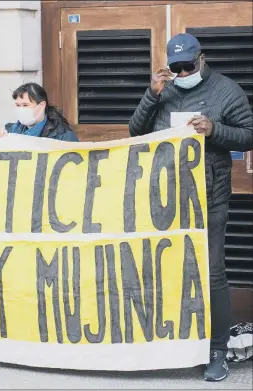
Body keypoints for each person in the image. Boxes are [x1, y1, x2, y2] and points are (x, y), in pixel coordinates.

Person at [129, 33, 253, 382]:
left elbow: (249, 134)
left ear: (202, 59)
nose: (183, 74)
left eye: (188, 67)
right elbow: (135, 131)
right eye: (176, 68)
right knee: (164, 269)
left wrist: (215, 130)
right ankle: (169, 344)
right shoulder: (163, 90)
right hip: (166, 198)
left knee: (212, 272)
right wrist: (151, 96)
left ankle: (218, 351)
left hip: (210, 197)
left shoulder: (227, 91)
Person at [0, 82, 79, 141]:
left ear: (41, 105)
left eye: (25, 105)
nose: (21, 109)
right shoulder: (10, 131)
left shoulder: (63, 136)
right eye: (18, 105)